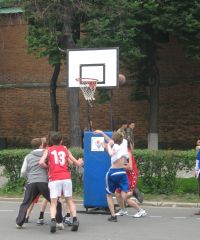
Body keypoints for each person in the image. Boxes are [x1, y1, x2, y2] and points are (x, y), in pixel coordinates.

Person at [39, 131, 83, 233]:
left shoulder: (48, 150)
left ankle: (53, 221)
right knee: (69, 200)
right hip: (66, 178)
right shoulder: (65, 149)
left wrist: (48, 167)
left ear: (51, 140)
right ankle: (75, 220)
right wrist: (80, 161)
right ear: (61, 140)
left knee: (53, 202)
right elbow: (76, 163)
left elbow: (41, 162)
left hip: (54, 178)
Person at [16, 137, 63, 229]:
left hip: (32, 182)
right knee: (55, 202)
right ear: (41, 145)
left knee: (26, 203)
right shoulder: (46, 154)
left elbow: (23, 171)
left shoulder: (28, 156)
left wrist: (29, 178)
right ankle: (59, 222)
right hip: (44, 182)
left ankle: (19, 222)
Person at [94, 129, 135, 222]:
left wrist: (107, 145)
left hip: (113, 172)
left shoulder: (115, 147)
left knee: (108, 195)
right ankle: (133, 192)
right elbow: (112, 140)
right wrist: (102, 133)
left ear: (115, 141)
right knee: (124, 196)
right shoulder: (124, 142)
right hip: (122, 172)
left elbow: (111, 152)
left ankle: (113, 216)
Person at [115, 140, 147, 218]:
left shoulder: (128, 152)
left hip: (131, 176)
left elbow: (130, 167)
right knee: (117, 193)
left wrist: (118, 166)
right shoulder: (122, 152)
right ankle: (123, 210)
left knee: (124, 196)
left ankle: (141, 211)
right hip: (125, 175)